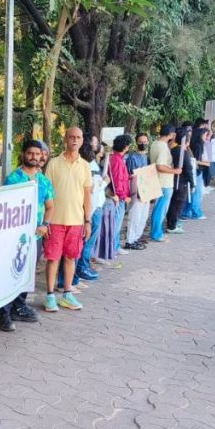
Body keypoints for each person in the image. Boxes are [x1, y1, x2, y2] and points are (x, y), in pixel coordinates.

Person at [0, 140, 53, 331]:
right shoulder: (14, 179)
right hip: (15, 237)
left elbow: (50, 206)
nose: (34, 157)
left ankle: (19, 306)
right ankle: (4, 314)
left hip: (35, 237)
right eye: (30, 153)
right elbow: (5, 206)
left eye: (37, 154)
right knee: (11, 273)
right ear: (23, 154)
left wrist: (45, 225)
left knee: (27, 272)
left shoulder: (44, 181)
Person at [43, 126, 92, 312]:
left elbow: (87, 196)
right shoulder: (54, 163)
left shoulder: (85, 166)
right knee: (53, 258)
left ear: (82, 140)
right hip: (55, 221)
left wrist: (87, 221)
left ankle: (67, 294)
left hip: (77, 221)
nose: (75, 140)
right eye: (71, 137)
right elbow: (47, 193)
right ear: (65, 139)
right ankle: (50, 295)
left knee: (71, 257)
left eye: (78, 137)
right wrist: (45, 221)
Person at [74, 138, 103, 281]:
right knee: (86, 241)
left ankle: (81, 268)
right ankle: (81, 268)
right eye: (95, 142)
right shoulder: (87, 164)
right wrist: (104, 182)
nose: (97, 145)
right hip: (90, 208)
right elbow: (91, 188)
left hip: (95, 206)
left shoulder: (91, 163)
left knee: (88, 241)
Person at [148, 125, 180, 243]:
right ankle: (156, 234)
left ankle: (156, 232)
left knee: (159, 208)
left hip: (158, 180)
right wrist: (175, 171)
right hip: (164, 182)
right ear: (171, 134)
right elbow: (160, 166)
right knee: (161, 209)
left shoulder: (155, 143)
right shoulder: (162, 147)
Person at [124, 133, 150, 251]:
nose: (143, 144)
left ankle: (136, 238)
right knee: (135, 216)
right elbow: (130, 175)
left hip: (146, 191)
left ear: (148, 142)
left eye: (145, 141)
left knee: (143, 217)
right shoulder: (132, 157)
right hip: (136, 191)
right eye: (140, 142)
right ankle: (130, 241)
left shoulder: (146, 157)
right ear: (136, 142)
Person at [166, 126, 194, 234]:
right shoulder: (181, 151)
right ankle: (171, 226)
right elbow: (188, 168)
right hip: (180, 182)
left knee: (173, 203)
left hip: (174, 180)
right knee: (177, 204)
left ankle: (172, 223)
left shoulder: (173, 149)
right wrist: (192, 183)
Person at [107, 135, 132, 255]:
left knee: (117, 223)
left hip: (120, 196)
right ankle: (112, 248)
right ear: (125, 146)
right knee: (116, 224)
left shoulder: (117, 158)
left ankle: (115, 246)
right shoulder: (117, 160)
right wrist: (123, 196)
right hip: (119, 198)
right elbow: (117, 181)